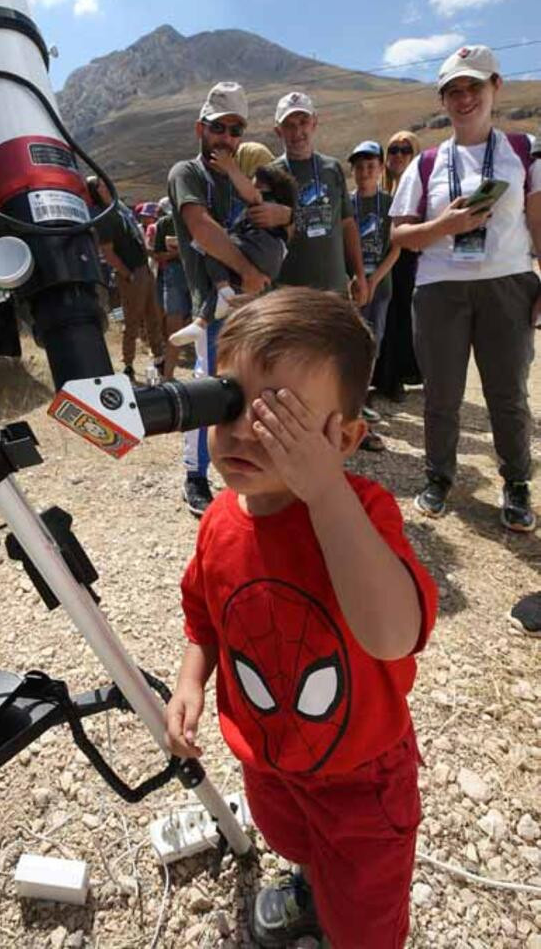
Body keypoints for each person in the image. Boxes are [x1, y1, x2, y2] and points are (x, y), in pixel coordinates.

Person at [165, 288, 437, 949]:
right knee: (296, 844)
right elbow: (205, 615)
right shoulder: (221, 523)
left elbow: (394, 635)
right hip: (269, 761)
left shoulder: (362, 515)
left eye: (277, 416)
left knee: (366, 915)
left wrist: (325, 494)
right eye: (228, 403)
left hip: (360, 779)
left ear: (343, 437)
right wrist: (191, 679)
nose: (240, 431)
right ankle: (313, 887)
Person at [390, 44, 541, 530]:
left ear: (495, 87)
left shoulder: (524, 150)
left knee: (508, 393)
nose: (463, 98)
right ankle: (438, 478)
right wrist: (444, 226)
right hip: (440, 290)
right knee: (441, 392)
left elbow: (538, 222)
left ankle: (516, 484)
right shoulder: (426, 162)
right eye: (453, 91)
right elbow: (400, 235)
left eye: (473, 86)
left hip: (508, 283)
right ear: (443, 100)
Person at [167, 82, 284, 516]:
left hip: (251, 306)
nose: (228, 138)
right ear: (201, 127)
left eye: (236, 130)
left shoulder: (239, 177)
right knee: (206, 386)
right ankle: (195, 476)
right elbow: (201, 229)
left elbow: (272, 214)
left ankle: (245, 470)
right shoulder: (187, 173)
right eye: (220, 127)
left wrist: (284, 215)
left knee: (251, 385)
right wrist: (250, 271)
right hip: (214, 305)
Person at [169, 163, 297, 346]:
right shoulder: (281, 212)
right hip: (270, 263)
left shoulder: (262, 202)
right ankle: (202, 320)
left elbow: (210, 236)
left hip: (257, 247)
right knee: (231, 272)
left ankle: (221, 291)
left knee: (213, 245)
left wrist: (230, 167)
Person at [270, 91, 368, 305]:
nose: (298, 132)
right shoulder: (270, 176)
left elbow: (347, 224)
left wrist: (358, 274)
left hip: (334, 292)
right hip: (289, 296)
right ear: (278, 131)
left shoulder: (331, 168)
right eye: (289, 125)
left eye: (303, 122)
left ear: (314, 123)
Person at [348, 140, 401, 452]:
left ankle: (361, 399)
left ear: (380, 169)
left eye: (371, 166)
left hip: (380, 288)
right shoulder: (348, 203)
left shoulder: (389, 203)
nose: (365, 172)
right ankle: (351, 405)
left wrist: (373, 279)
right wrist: (354, 279)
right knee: (351, 346)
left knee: (373, 345)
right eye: (359, 167)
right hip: (353, 288)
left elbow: (395, 247)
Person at [89, 177, 165, 381]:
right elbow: (108, 251)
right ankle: (128, 364)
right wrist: (127, 274)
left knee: (153, 315)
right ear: (95, 191)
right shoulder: (103, 217)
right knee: (132, 318)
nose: (105, 186)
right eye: (100, 185)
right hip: (131, 273)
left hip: (143, 268)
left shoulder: (119, 208)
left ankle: (159, 358)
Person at [371, 131, 423, 402]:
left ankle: (397, 376)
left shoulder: (420, 189)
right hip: (379, 261)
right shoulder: (379, 191)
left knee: (401, 316)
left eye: (405, 150)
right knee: (383, 316)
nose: (398, 155)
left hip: (408, 261)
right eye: (393, 150)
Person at [151, 197, 191, 379]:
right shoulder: (165, 223)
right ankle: (167, 375)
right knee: (174, 325)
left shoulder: (199, 217)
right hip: (174, 274)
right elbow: (158, 254)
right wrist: (177, 252)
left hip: (196, 273)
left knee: (197, 323)